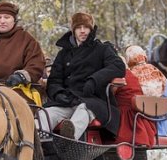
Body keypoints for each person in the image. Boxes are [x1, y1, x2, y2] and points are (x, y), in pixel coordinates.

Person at [42, 12, 126, 140]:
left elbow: (118, 66)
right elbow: (54, 80)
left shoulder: (101, 49)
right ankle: (40, 144)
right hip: (67, 100)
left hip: (93, 100)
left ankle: (69, 138)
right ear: (73, 30)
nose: (83, 31)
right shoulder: (64, 54)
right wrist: (58, 94)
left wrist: (94, 80)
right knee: (46, 114)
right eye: (79, 28)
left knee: (83, 110)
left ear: (91, 29)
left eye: (86, 27)